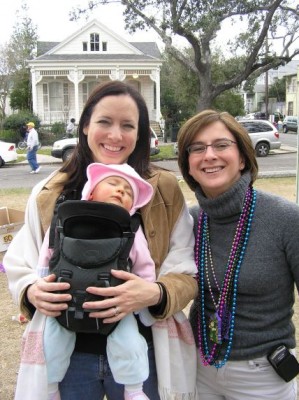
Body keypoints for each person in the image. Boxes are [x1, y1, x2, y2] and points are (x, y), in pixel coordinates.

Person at [4, 81, 197, 400]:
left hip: (141, 352)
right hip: (69, 359)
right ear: (84, 127)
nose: (116, 135)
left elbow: (185, 271)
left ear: (140, 133)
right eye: (104, 122)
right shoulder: (50, 192)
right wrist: (32, 289)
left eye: (128, 126)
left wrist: (153, 292)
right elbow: (21, 262)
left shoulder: (162, 191)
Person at [177, 109, 299, 399]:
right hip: (199, 366)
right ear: (188, 165)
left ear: (243, 157)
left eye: (221, 145)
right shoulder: (188, 222)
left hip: (263, 375)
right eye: (197, 148)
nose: (209, 155)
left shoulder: (285, 219)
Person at [37, 162, 155, 400]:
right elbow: (49, 252)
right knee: (50, 343)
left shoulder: (131, 227)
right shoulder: (66, 217)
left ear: (133, 206)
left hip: (114, 304)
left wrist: (144, 299)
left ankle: (133, 390)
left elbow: (144, 264)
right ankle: (50, 388)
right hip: (65, 301)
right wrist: (39, 285)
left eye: (128, 191)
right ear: (90, 191)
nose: (121, 191)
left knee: (130, 342)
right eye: (113, 184)